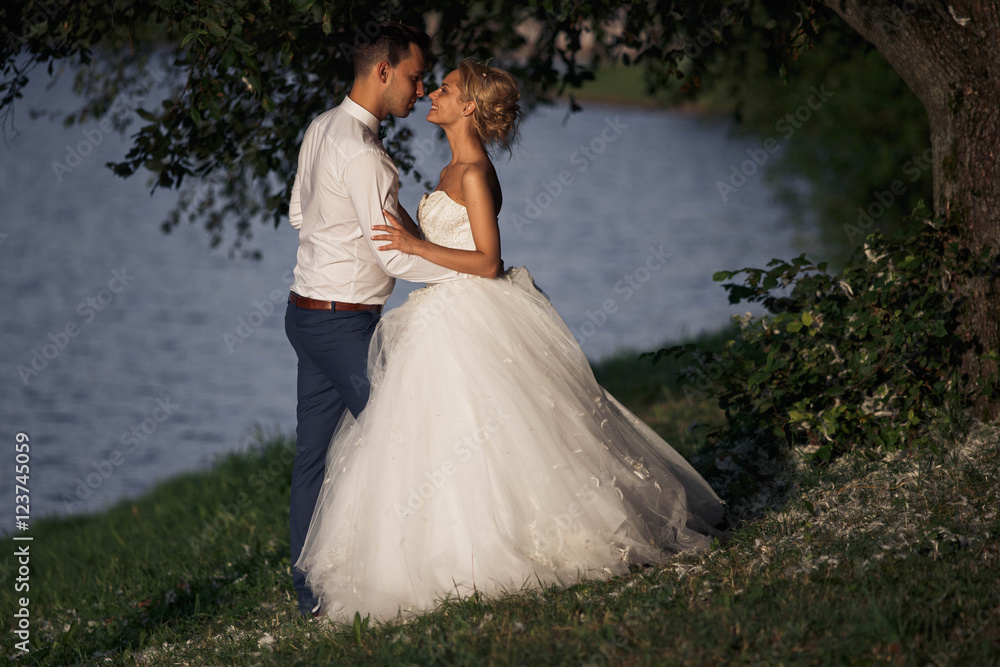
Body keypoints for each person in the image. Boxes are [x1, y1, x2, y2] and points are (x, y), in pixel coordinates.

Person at [295, 59, 726, 624]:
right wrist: (396, 217)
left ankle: (484, 547)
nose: (431, 94)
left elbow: (487, 261)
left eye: (443, 89)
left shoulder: (474, 171)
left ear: (467, 106)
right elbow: (441, 239)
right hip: (437, 312)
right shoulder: (452, 168)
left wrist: (415, 247)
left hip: (466, 313)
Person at [283, 22, 467, 619]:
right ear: (382, 71)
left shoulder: (319, 128)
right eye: (414, 78)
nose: (419, 91)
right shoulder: (365, 156)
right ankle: (415, 572)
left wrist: (343, 247)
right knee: (402, 435)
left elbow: (296, 215)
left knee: (313, 455)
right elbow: (392, 255)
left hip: (305, 313)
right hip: (342, 324)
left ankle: (311, 590)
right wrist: (466, 274)